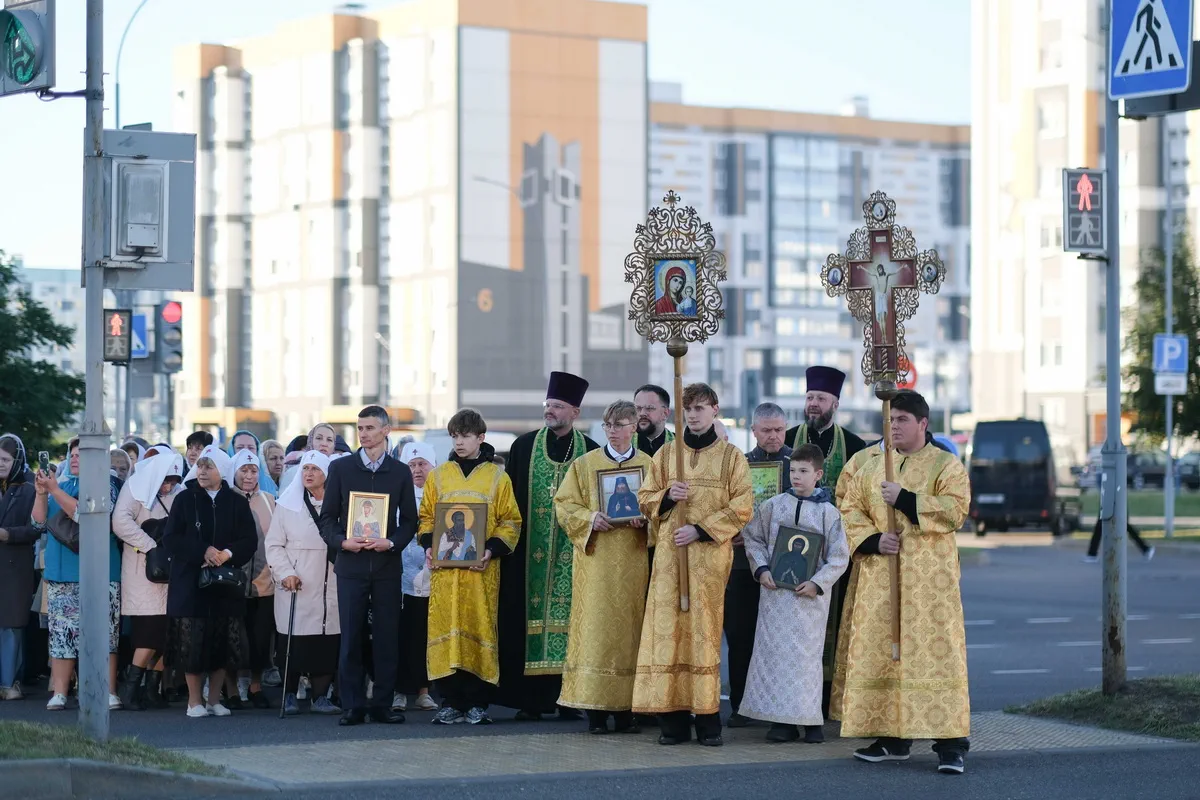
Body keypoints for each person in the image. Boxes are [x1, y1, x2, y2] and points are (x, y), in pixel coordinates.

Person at [832, 390, 972, 775]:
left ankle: (951, 745)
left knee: (938, 656)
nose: (893, 427)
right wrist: (874, 540)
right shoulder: (873, 466)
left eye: (902, 420)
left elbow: (956, 510)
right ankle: (892, 738)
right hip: (881, 577)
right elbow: (849, 508)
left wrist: (906, 500)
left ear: (923, 423)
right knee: (885, 654)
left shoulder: (945, 465)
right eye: (890, 420)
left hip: (931, 586)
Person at [633, 383, 754, 746]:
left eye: (700, 408)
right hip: (670, 562)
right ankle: (671, 722)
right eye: (688, 409)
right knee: (668, 636)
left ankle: (707, 721)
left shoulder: (732, 457)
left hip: (709, 564)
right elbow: (644, 498)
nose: (693, 415)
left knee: (704, 638)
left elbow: (742, 506)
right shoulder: (667, 455)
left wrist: (700, 531)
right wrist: (668, 497)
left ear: (715, 409)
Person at [498, 371, 598, 720]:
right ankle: (530, 701)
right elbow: (508, 503)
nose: (549, 411)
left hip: (575, 553)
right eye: (547, 404)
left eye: (557, 406)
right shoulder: (523, 447)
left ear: (574, 412)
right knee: (525, 622)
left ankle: (568, 699)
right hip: (529, 555)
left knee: (574, 623)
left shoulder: (591, 451)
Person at [740, 444, 850, 743]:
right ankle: (782, 723)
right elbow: (753, 538)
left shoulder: (829, 513)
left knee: (806, 659)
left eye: (803, 471)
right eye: (792, 471)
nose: (796, 476)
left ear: (818, 474)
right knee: (776, 658)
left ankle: (811, 721)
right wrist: (762, 569)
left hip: (809, 601)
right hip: (775, 596)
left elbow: (839, 556)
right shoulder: (774, 506)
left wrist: (817, 582)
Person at [554, 400, 652, 734]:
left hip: (633, 561)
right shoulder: (585, 465)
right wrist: (590, 518)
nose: (613, 431)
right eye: (608, 425)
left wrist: (647, 521)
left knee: (629, 633)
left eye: (620, 425)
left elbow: (661, 510)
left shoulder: (649, 466)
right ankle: (594, 712)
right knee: (595, 633)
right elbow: (565, 505)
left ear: (634, 427)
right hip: (595, 564)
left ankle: (626, 712)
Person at [418, 409, 521, 725]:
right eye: (454, 436)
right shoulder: (438, 476)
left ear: (481, 438)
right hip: (445, 574)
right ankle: (450, 701)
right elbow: (427, 518)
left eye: (465, 436)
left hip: (481, 573)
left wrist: (491, 549)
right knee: (446, 632)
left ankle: (477, 702)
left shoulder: (497, 477)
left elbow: (511, 521)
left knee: (478, 628)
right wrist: (428, 545)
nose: (459, 442)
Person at [318, 406, 418, 727]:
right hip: (351, 566)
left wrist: (392, 542)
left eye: (370, 428)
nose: (363, 434)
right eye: (360, 428)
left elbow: (410, 521)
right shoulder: (341, 468)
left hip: (387, 567)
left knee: (387, 637)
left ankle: (383, 704)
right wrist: (341, 541)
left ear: (386, 431)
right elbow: (327, 519)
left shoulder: (400, 472)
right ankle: (352, 705)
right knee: (351, 637)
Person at [784, 365, 867, 712]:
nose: (813, 404)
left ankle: (828, 698)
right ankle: (792, 697)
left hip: (835, 552)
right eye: (809, 397)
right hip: (791, 551)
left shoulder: (856, 447)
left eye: (820, 398)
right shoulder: (787, 440)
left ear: (835, 403)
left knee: (833, 621)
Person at [162, 445, 258, 718]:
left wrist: (227, 553)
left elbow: (248, 540)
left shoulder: (237, 502)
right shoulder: (184, 498)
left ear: (222, 470)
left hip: (225, 583)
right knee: (192, 643)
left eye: (209, 466)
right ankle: (194, 701)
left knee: (222, 643)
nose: (202, 471)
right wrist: (203, 551)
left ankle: (215, 699)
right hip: (190, 582)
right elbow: (171, 538)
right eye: (200, 466)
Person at [32, 437, 124, 711]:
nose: (74, 458)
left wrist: (53, 489)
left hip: (100, 572)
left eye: (80, 454)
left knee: (104, 636)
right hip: (61, 573)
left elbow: (86, 515)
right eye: (72, 454)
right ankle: (60, 693)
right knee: (62, 637)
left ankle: (108, 691)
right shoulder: (59, 484)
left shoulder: (107, 484)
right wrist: (41, 492)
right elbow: (38, 522)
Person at [725, 402, 792, 729]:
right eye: (766, 430)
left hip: (785, 564)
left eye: (779, 429)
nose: (773, 436)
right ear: (753, 431)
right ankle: (741, 705)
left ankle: (780, 706)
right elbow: (726, 505)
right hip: (742, 565)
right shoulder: (740, 464)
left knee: (781, 638)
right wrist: (733, 529)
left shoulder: (797, 464)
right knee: (741, 636)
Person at [265, 450, 343, 715]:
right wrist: (285, 572)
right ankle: (288, 694)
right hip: (297, 584)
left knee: (326, 642)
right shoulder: (286, 506)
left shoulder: (339, 506)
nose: (309, 473)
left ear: (327, 475)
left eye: (315, 469)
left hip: (330, 583)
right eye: (306, 469)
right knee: (293, 643)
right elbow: (274, 545)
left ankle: (320, 697)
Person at [112, 451, 184, 710]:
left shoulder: (178, 493)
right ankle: (131, 689)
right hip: (142, 572)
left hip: (171, 572)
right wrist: (150, 545)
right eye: (165, 481)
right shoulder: (136, 487)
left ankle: (152, 688)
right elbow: (120, 522)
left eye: (173, 481)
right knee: (148, 634)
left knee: (167, 636)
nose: (168, 487)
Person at [227, 450, 276, 709]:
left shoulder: (269, 500)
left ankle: (256, 686)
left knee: (260, 638)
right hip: (231, 583)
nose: (248, 476)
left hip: (263, 582)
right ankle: (231, 689)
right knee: (232, 637)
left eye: (253, 470)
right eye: (243, 470)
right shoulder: (225, 499)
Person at [393, 442, 439, 714]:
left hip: (433, 575)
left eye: (422, 464)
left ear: (433, 466)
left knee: (424, 634)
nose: (417, 470)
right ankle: (398, 692)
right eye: (411, 465)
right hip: (400, 575)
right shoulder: (397, 494)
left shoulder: (441, 494)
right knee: (400, 634)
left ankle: (424, 691)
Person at [0, 434, 39, 701]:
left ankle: (9, 683)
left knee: (11, 626)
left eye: (5, 460)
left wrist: (8, 534)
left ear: (17, 461)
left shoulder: (30, 488)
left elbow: (37, 528)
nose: (1, 464)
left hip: (16, 567)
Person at [227, 431, 279, 496]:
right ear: (231, 450)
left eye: (251, 448)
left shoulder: (268, 483)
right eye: (240, 447)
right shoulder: (221, 480)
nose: (246, 451)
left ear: (257, 450)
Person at [1084, 518, 1154, 562]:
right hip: (1109, 502)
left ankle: (1092, 554)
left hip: (1113, 502)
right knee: (1101, 524)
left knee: (1122, 524)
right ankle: (1145, 548)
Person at [634, 385, 674, 457]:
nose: (642, 413)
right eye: (638, 408)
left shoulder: (681, 446)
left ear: (665, 413)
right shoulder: (623, 444)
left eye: (649, 408)